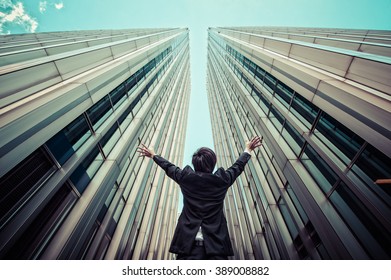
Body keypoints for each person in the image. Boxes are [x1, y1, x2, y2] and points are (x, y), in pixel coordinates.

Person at [137, 136, 262, 260]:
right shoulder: (222, 180)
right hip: (216, 249)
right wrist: (247, 150)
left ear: (195, 164)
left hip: (188, 249)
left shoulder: (186, 178)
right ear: (213, 163)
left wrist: (154, 155)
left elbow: (169, 167)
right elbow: (238, 166)